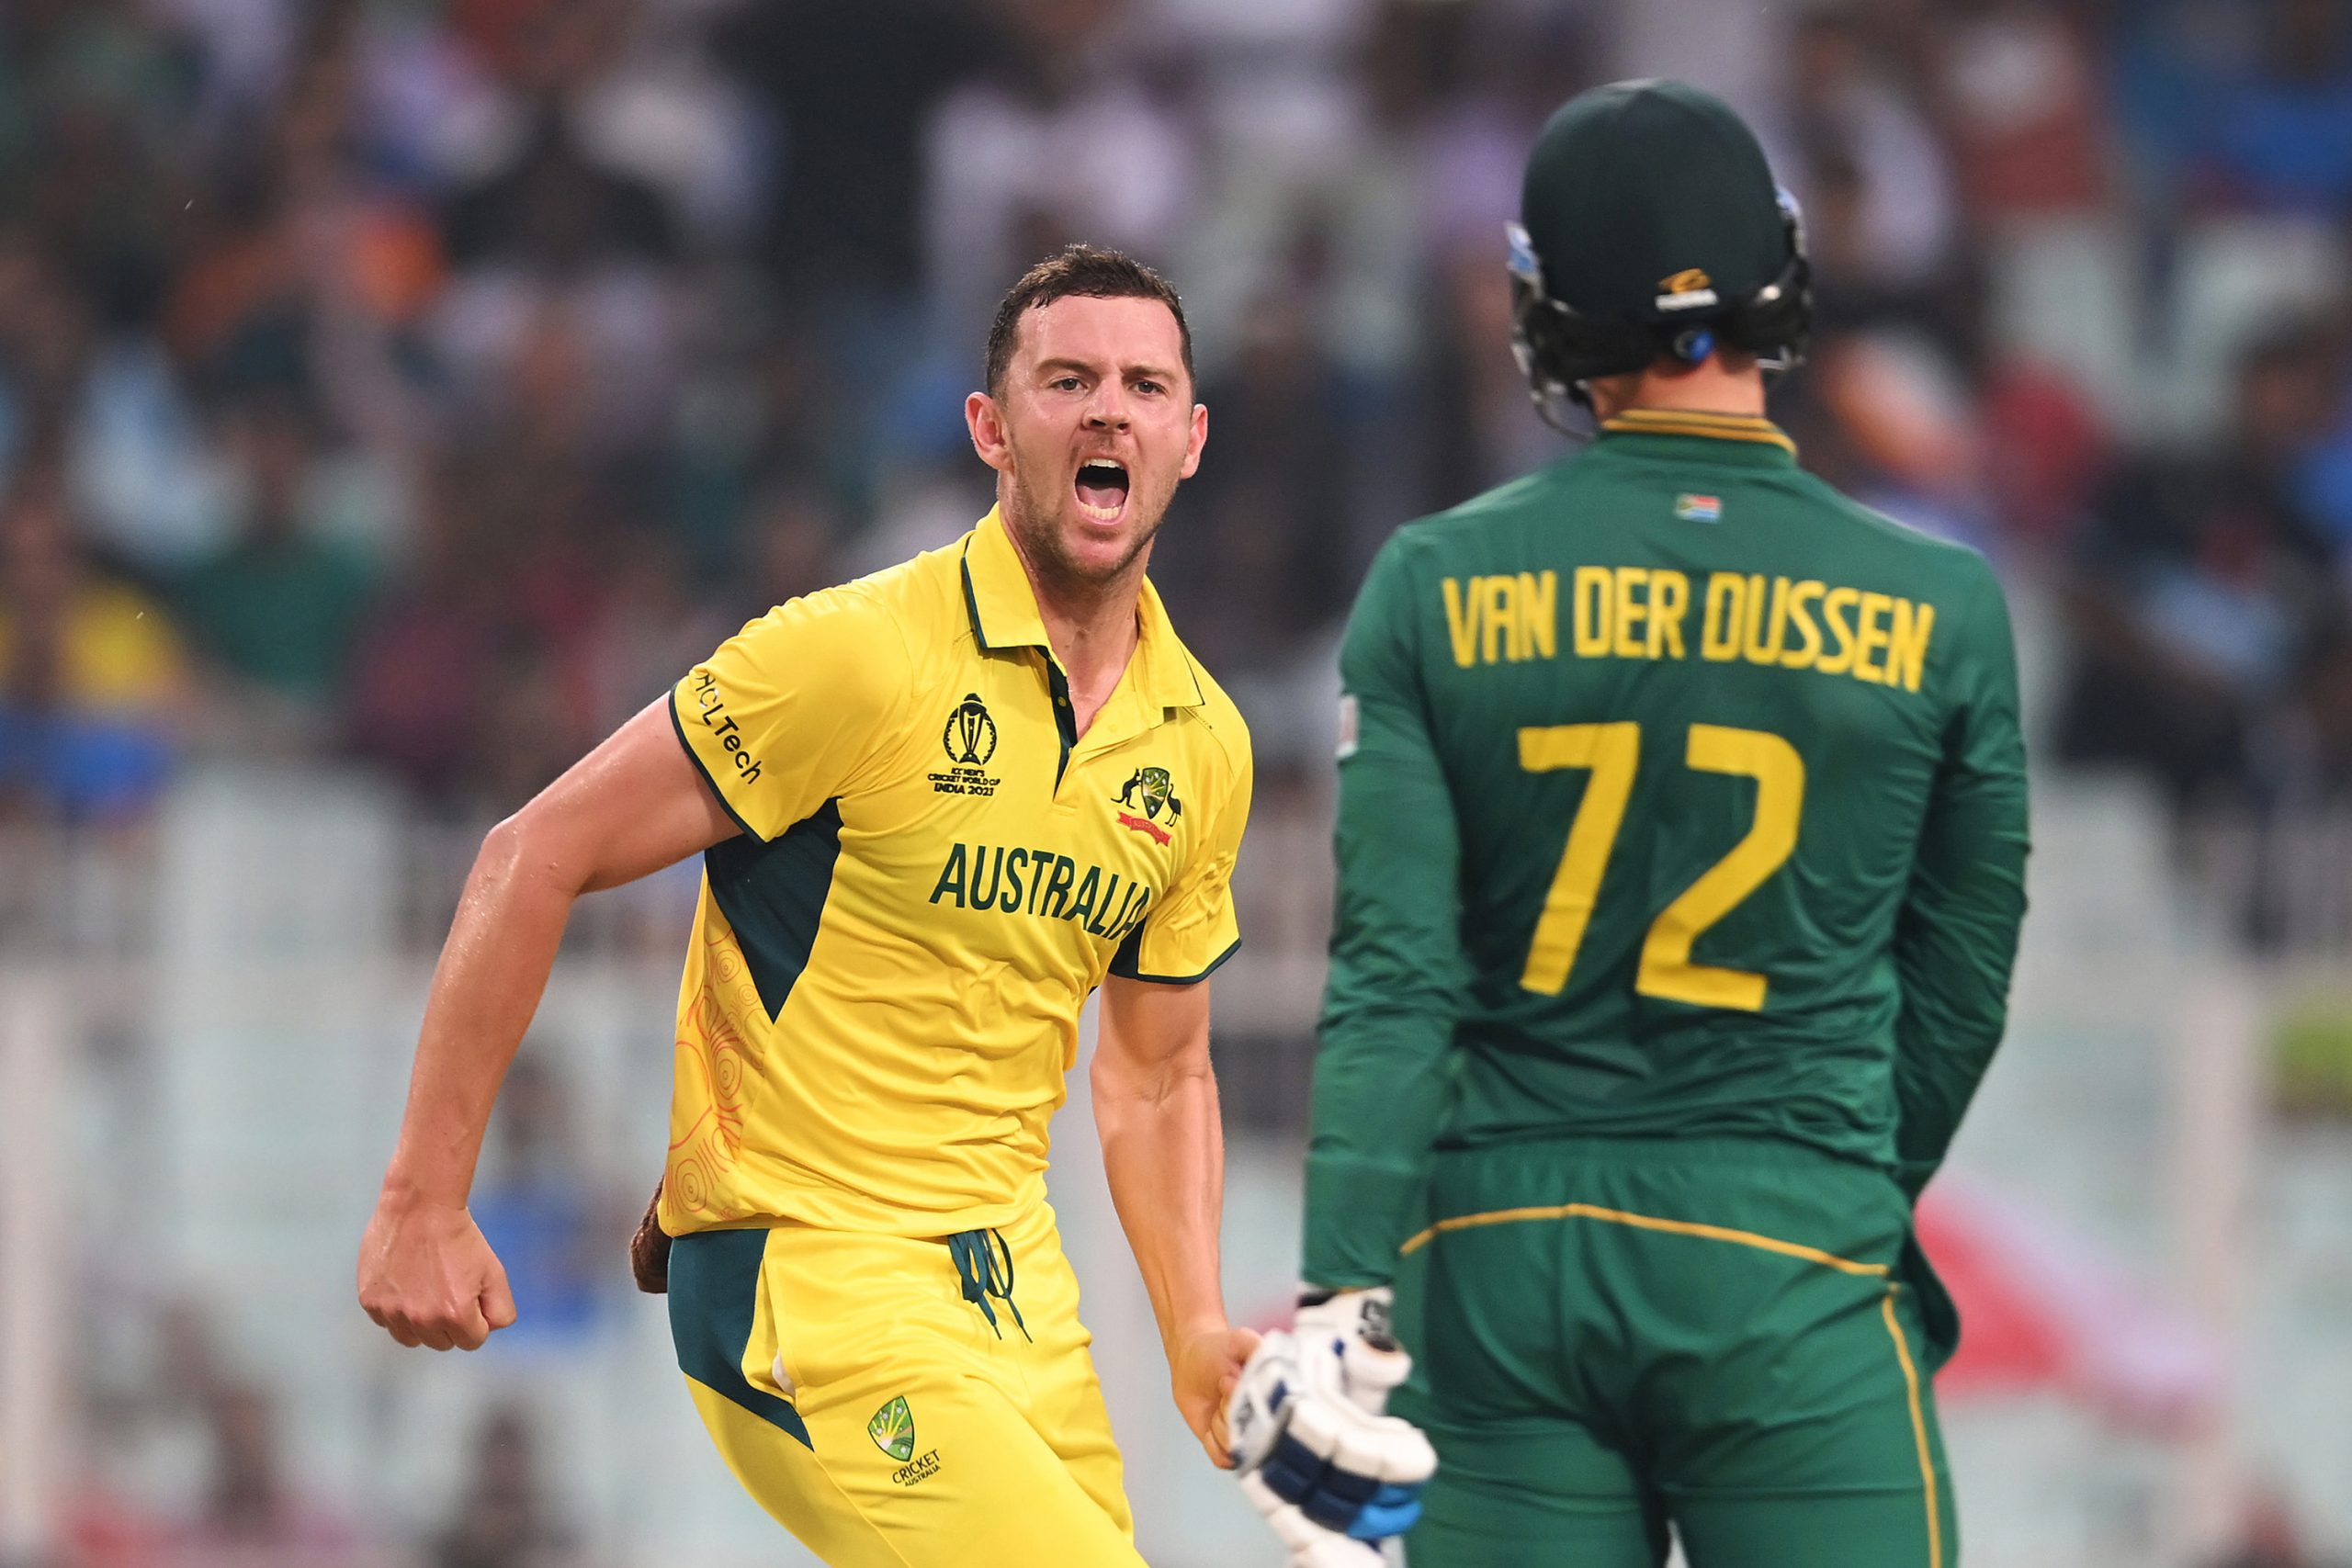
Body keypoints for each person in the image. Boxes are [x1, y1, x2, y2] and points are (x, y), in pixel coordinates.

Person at [1226, 80, 2030, 1568]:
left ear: (1550, 315)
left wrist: (1341, 1290)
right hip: (1790, 1249)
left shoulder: (1432, 583)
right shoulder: (1943, 606)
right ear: (1779, 285)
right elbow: (1965, 980)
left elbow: (1396, 976)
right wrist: (1824, 1187)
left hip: (1502, 1259)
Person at [357, 243, 1261, 1566]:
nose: (1107, 410)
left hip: (1017, 1300)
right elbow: (528, 856)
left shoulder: (1203, 742)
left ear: (1189, 437)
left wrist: (1191, 1328)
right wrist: (422, 1203)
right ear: (991, 430)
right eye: (1067, 381)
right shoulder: (855, 655)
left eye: (1142, 385)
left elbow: (1160, 1072)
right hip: (803, 1278)